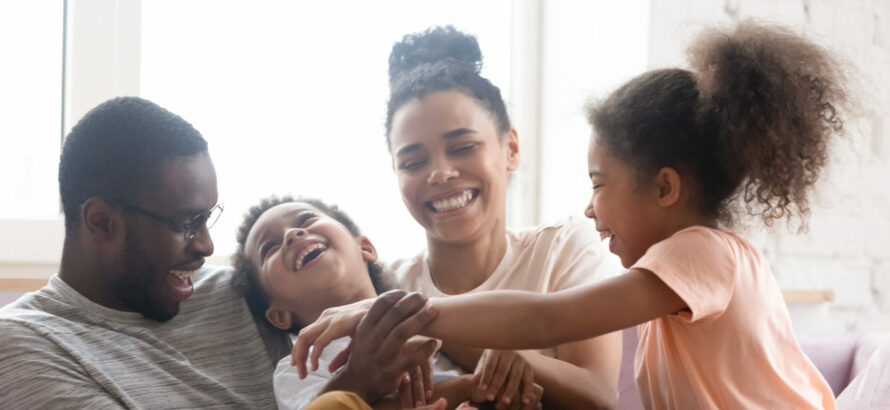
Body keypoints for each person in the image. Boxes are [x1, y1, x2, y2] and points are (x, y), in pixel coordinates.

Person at [294, 20, 851, 409]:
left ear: (664, 188)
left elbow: (544, 320)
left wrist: (388, 313)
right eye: (413, 159)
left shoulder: (703, 253)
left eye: (599, 184)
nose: (589, 207)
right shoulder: (677, 281)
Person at [382, 26, 623, 409]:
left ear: (510, 148)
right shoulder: (387, 284)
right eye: (413, 161)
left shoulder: (562, 247)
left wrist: (518, 358)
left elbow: (599, 396)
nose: (440, 173)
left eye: (462, 147)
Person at [0, 97, 289, 408]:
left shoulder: (239, 292)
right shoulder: (26, 342)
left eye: (207, 218)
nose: (207, 245)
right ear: (102, 222)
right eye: (187, 223)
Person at [233, 195, 543, 410]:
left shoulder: (434, 316)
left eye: (307, 219)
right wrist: (465, 387)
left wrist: (505, 374)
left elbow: (500, 356)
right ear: (278, 316)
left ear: (365, 247)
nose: (293, 234)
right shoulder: (297, 368)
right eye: (270, 248)